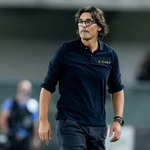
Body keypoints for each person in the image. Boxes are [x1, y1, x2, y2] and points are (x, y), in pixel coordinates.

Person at [38, 6, 125, 150]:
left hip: (98, 126)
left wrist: (118, 120)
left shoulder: (110, 55)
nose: (83, 25)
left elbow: (117, 90)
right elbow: (47, 87)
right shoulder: (65, 51)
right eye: (80, 22)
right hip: (70, 123)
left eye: (88, 22)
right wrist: (43, 121)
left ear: (99, 27)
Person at [0, 80, 41, 150]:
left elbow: (36, 123)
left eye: (26, 90)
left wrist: (36, 138)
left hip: (26, 138)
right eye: (22, 90)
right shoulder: (10, 102)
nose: (24, 92)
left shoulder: (33, 104)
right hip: (11, 137)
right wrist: (6, 132)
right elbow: (3, 118)